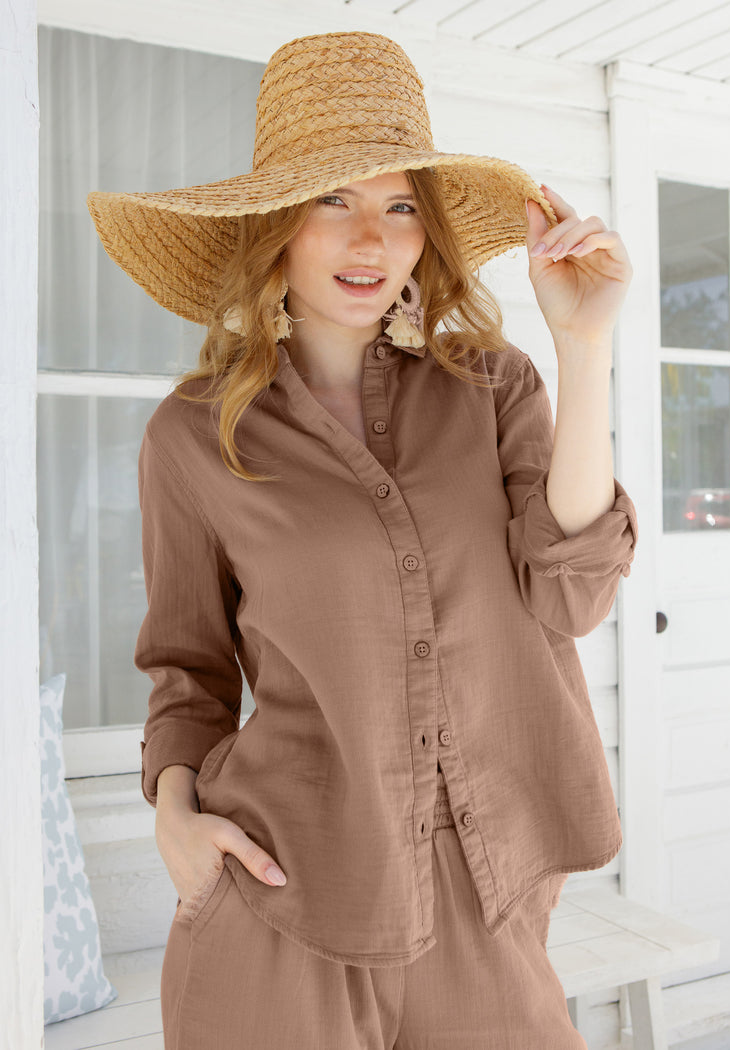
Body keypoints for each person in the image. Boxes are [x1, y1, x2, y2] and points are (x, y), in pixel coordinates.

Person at [87, 29, 637, 1050]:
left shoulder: (494, 385)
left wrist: (586, 344)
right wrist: (175, 814)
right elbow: (186, 667)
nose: (370, 242)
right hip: (283, 890)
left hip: (491, 892)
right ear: (276, 227)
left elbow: (574, 595)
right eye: (332, 201)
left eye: (397, 208)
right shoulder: (193, 437)